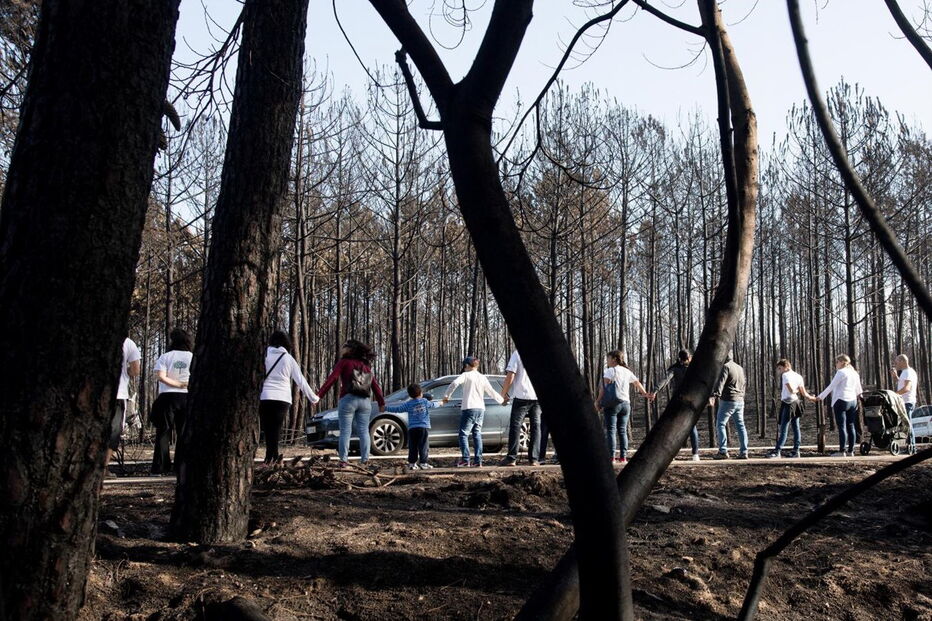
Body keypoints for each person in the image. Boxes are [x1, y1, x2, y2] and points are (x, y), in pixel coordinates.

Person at [317, 339, 386, 468]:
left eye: (345, 346)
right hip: (365, 401)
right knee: (364, 431)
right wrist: (381, 402)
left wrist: (319, 395)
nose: (342, 349)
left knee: (345, 431)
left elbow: (332, 379)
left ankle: (343, 461)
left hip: (348, 400)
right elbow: (375, 385)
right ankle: (365, 460)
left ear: (350, 349)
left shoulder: (344, 362)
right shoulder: (365, 365)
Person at [259, 330, 319, 466]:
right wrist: (313, 398)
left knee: (268, 429)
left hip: (265, 396)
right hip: (282, 398)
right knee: (276, 428)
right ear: (287, 343)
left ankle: (270, 458)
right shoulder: (288, 359)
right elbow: (301, 380)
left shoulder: (264, 355)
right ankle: (272, 458)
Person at [441, 356, 504, 467]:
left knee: (463, 435)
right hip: (480, 409)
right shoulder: (482, 377)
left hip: (469, 408)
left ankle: (465, 460)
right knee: (477, 434)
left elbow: (454, 383)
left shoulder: (465, 375)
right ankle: (478, 461)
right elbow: (491, 391)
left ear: (466, 366)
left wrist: (446, 396)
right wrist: (501, 400)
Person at [595, 350, 652, 464]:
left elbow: (604, 389)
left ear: (614, 359)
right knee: (622, 431)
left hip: (613, 404)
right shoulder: (627, 371)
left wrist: (598, 402)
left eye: (608, 358)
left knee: (611, 430)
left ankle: (611, 458)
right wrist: (645, 393)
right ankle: (623, 457)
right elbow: (637, 383)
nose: (607, 361)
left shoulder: (610, 371)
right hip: (626, 404)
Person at [150, 329, 193, 475]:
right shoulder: (192, 357)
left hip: (167, 397)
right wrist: (183, 385)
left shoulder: (165, 356)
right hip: (186, 397)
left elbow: (160, 376)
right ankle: (181, 466)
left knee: (163, 431)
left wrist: (174, 384)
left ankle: (160, 466)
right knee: (183, 432)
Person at [653, 349, 700, 461]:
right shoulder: (695, 369)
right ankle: (695, 454)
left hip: (678, 400)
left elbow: (665, 379)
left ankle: (671, 454)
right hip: (690, 401)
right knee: (692, 427)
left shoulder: (675, 368)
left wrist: (655, 390)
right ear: (689, 358)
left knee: (673, 427)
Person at [766, 359, 817, 459]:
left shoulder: (785, 375)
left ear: (786, 366)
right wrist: (812, 398)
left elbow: (791, 390)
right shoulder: (798, 376)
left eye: (780, 368)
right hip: (796, 402)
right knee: (796, 428)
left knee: (784, 428)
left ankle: (777, 451)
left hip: (788, 403)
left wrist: (796, 389)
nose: (779, 371)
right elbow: (804, 393)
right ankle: (796, 451)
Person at [816, 354, 863, 457]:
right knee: (851, 426)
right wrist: (859, 400)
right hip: (853, 401)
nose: (836, 364)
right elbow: (859, 390)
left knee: (842, 427)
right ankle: (851, 451)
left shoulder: (841, 372)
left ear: (842, 362)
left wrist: (820, 397)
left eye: (837, 362)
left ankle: (842, 451)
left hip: (841, 400)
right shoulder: (855, 373)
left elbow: (831, 386)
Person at [499, 350, 541, 467]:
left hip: (522, 396)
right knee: (536, 426)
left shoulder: (517, 353)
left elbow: (511, 374)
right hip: (537, 397)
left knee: (516, 426)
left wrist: (503, 394)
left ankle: (512, 458)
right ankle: (534, 459)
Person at [106, 336, 141, 469]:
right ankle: (103, 467)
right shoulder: (128, 343)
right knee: (114, 431)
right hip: (118, 393)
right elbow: (136, 370)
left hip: (90, 393)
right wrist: (124, 372)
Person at [385, 383, 439, 470]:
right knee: (424, 446)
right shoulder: (424, 401)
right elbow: (433, 405)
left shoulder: (408, 404)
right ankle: (423, 462)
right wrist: (441, 402)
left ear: (410, 395)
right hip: (422, 428)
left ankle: (412, 463)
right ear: (421, 393)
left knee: (413, 446)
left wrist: (386, 408)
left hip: (412, 429)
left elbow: (398, 409)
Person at [711, 353, 748, 460]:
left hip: (728, 400)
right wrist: (742, 396)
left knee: (720, 424)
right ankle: (744, 451)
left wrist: (715, 395)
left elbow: (720, 383)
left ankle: (723, 451)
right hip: (740, 400)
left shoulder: (726, 367)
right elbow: (744, 384)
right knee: (741, 426)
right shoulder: (739, 368)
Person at [892, 354, 918, 450]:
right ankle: (909, 446)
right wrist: (896, 377)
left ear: (902, 361)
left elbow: (907, 388)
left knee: (908, 424)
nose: (896, 364)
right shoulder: (906, 372)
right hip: (905, 401)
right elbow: (903, 383)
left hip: (907, 402)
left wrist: (894, 395)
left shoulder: (908, 372)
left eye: (897, 362)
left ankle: (912, 446)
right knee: (906, 425)